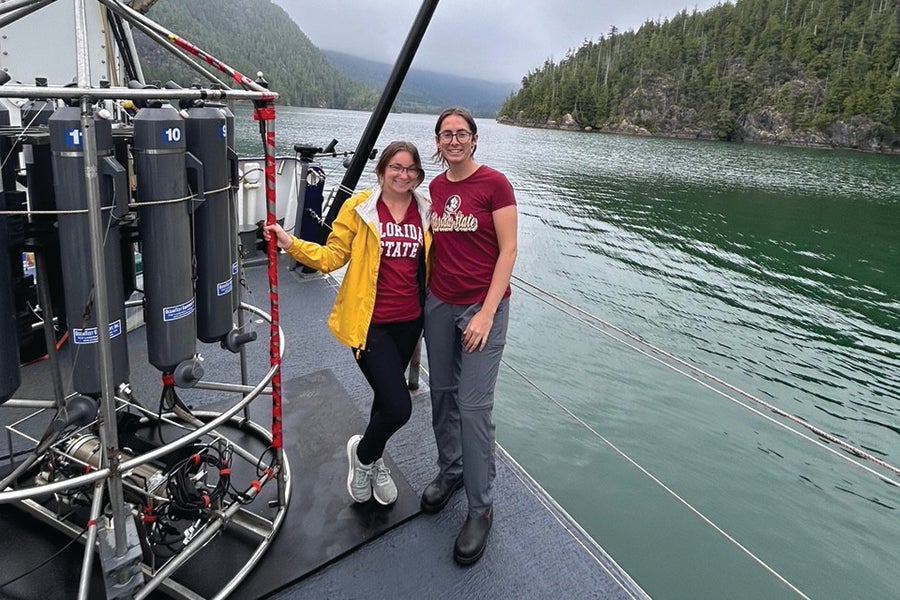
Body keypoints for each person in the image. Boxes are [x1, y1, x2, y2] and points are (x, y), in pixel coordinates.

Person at [263, 141, 431, 506]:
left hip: (409, 323)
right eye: (396, 168)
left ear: (418, 175)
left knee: (385, 402)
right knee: (399, 406)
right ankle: (364, 456)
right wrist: (290, 243)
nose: (403, 175)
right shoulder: (360, 209)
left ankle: (374, 460)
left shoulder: (426, 211)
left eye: (410, 170)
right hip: (370, 324)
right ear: (382, 170)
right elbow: (332, 256)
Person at [422, 107, 518, 565]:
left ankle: (481, 507)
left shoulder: (495, 184)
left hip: (483, 307)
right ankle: (453, 470)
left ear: (475, 139)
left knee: (474, 407)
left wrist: (486, 312)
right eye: (446, 134)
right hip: (440, 303)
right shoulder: (437, 188)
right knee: (441, 394)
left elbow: (509, 249)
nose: (454, 140)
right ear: (438, 143)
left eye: (461, 134)